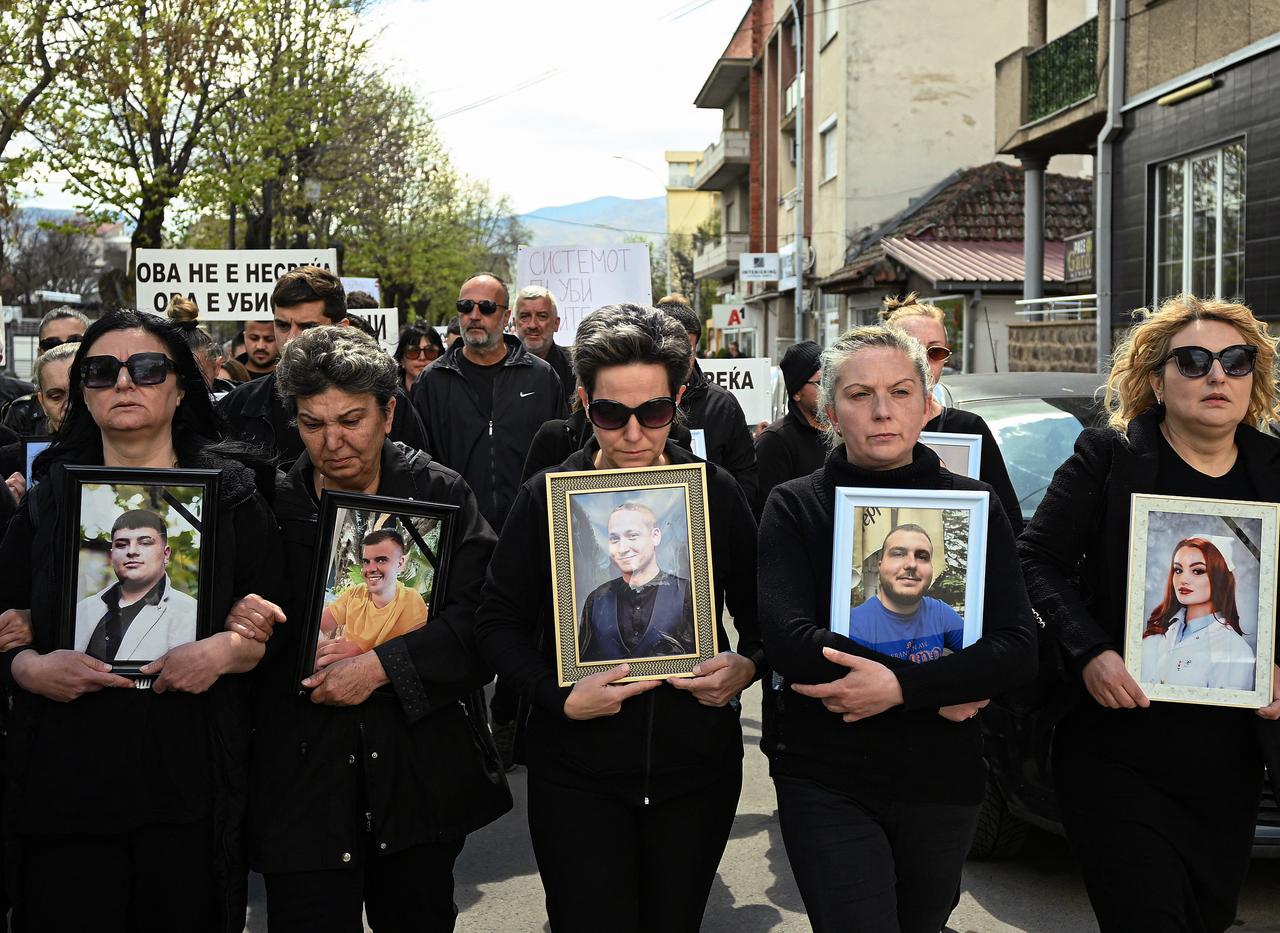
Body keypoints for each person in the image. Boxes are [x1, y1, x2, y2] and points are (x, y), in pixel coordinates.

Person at [475, 304, 761, 933]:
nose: (633, 434)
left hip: (695, 774)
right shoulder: (548, 497)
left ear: (678, 402)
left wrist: (747, 665)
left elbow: (763, 611)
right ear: (583, 403)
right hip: (576, 776)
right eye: (611, 414)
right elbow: (496, 621)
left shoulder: (712, 491)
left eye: (654, 413)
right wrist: (556, 698)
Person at [0, 308, 283, 930]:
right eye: (100, 371)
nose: (123, 383)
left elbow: (277, 628)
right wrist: (26, 667)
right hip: (65, 788)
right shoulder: (48, 502)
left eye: (147, 368)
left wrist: (230, 651)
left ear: (181, 386)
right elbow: (6, 619)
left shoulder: (235, 497)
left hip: (189, 784)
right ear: (81, 392)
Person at [758, 324, 1035, 933]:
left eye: (901, 391)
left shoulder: (974, 504)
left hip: (943, 779)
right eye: (860, 395)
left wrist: (901, 689)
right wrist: (941, 680)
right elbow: (789, 640)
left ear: (929, 403)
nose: (882, 410)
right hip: (826, 774)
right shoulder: (795, 504)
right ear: (829, 411)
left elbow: (1016, 647)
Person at [1019, 294, 1280, 933]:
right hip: (1118, 754)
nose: (1216, 376)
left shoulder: (1275, 472)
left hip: (1231, 767)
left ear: (1255, 378)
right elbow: (1036, 560)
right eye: (1192, 361)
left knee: (1204, 918)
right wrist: (1091, 651)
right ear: (1156, 379)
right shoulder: (1107, 458)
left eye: (1235, 361)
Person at [250, 325, 509, 933]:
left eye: (351, 420)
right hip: (302, 783)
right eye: (312, 425)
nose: (332, 441)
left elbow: (482, 621)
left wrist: (380, 668)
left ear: (388, 413)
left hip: (414, 775)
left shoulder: (439, 494)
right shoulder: (267, 503)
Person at [218, 265, 427, 467]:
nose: (291, 338)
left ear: (342, 328)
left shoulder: (384, 399)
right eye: (282, 325)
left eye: (308, 327)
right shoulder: (241, 405)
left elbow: (412, 481)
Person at [410, 272, 565, 534]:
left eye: (487, 307)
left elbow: (560, 458)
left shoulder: (542, 377)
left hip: (529, 531)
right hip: (457, 534)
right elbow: (417, 462)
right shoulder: (432, 381)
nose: (474, 315)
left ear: (506, 318)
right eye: (465, 306)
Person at [882, 293, 1024, 533]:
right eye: (912, 349)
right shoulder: (864, 425)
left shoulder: (969, 429)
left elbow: (1007, 518)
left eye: (935, 352)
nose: (924, 362)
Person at [657, 295, 758, 505]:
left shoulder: (722, 405)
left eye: (688, 352)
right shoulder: (629, 402)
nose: (679, 360)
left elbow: (745, 476)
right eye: (670, 351)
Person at [74, 508, 199, 663]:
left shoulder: (191, 614)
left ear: (166, 555)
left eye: (145, 543)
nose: (132, 551)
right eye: (121, 545)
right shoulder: (83, 609)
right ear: (112, 554)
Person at [578, 501, 695, 662]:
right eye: (614, 539)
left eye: (632, 536)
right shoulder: (597, 600)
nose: (622, 548)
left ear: (655, 536)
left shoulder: (687, 593)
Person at [1139, 537, 1255, 690]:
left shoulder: (1235, 649)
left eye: (1197, 571)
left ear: (1220, 578)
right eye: (1178, 570)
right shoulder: (1156, 633)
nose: (1183, 579)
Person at [849, 524, 966, 664]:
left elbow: (982, 659)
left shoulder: (940, 614)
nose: (911, 564)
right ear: (880, 566)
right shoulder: (855, 626)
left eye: (922, 557)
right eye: (898, 554)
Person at [317, 528, 430, 659]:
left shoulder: (411, 600)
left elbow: (415, 656)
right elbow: (318, 626)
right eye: (366, 561)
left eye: (381, 560)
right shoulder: (356, 593)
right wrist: (322, 648)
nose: (370, 569)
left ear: (400, 563)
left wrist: (360, 655)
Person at [753, 340, 826, 518]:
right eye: (820, 382)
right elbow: (767, 512)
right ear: (796, 393)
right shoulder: (776, 440)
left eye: (831, 380)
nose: (828, 389)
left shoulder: (844, 430)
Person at [1, 306, 87, 433]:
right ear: (39, 353)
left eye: (75, 342)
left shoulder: (109, 403)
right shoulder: (22, 414)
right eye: (51, 345)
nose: (62, 351)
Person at [513, 285, 575, 406]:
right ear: (515, 323)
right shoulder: (500, 369)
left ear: (556, 323)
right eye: (525, 316)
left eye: (542, 316)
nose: (532, 325)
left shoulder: (575, 368)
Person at [394, 324, 444, 394]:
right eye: (413, 351)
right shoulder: (388, 399)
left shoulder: (451, 394)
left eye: (430, 351)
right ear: (401, 360)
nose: (422, 357)